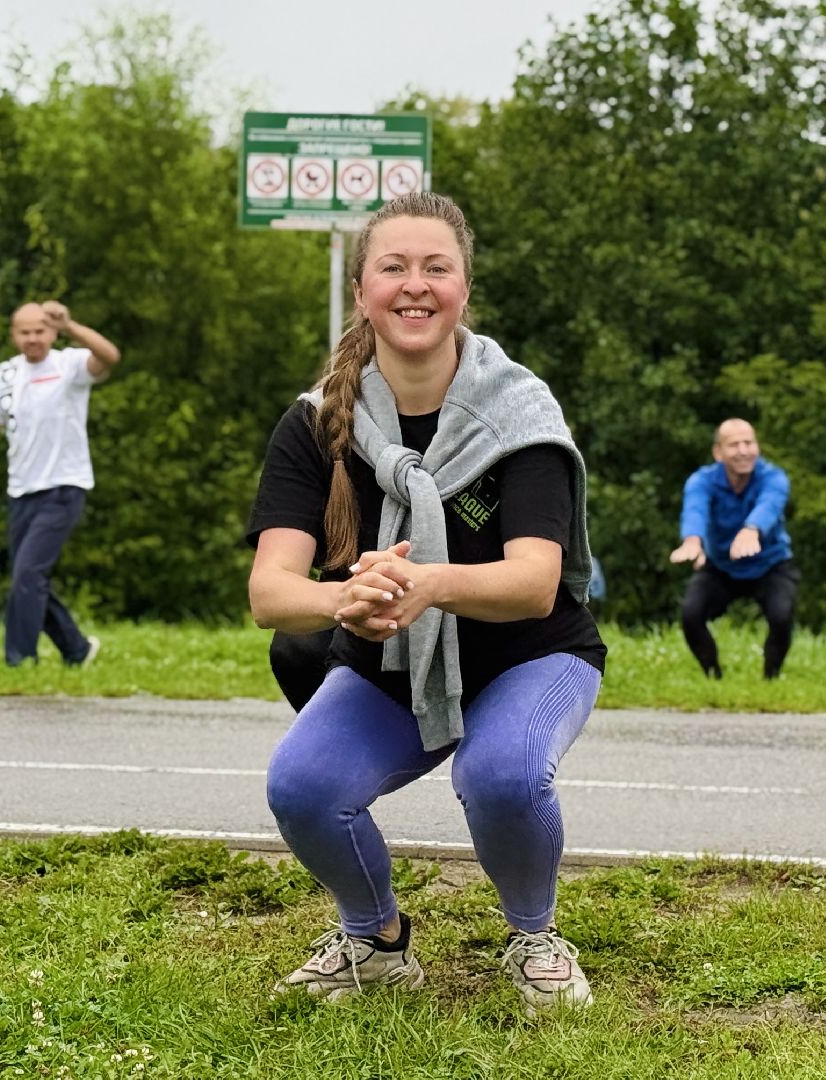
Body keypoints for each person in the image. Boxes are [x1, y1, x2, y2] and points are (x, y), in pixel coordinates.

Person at [246, 192, 606, 1012]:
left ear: (464, 290)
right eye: (394, 267)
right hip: (388, 667)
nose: (416, 285)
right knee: (301, 785)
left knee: (504, 775)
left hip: (532, 652)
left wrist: (425, 584)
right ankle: (375, 943)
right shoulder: (314, 424)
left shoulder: (518, 411)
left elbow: (535, 583)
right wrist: (350, 598)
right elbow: (272, 593)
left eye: (436, 267)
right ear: (363, 291)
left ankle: (535, 935)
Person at [0, 300, 120, 667]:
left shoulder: (69, 364)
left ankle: (19, 659)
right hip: (20, 490)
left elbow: (109, 356)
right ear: (14, 335)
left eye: (39, 331)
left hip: (63, 486)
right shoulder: (6, 374)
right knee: (29, 576)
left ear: (52, 332)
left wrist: (72, 326)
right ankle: (77, 649)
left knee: (28, 573)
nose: (32, 339)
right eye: (25, 332)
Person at [669, 418, 798, 679]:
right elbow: (695, 509)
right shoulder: (701, 481)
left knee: (782, 617)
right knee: (691, 614)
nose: (743, 450)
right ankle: (713, 676)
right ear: (718, 452)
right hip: (721, 567)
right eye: (734, 444)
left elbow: (770, 505)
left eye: (748, 443)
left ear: (757, 447)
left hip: (770, 565)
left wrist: (752, 529)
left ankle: (771, 678)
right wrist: (693, 541)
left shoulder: (774, 477)